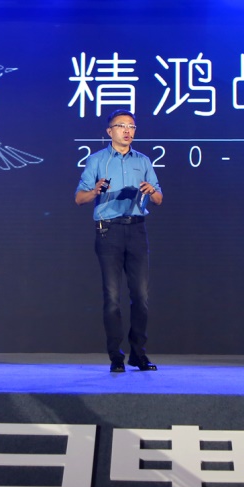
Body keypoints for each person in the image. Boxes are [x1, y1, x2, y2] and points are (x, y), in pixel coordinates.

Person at [75, 110, 163, 372]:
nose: (127, 131)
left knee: (141, 296)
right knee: (112, 297)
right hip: (108, 231)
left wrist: (151, 191)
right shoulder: (97, 160)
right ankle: (116, 356)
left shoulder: (143, 161)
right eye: (122, 126)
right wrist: (95, 190)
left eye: (132, 126)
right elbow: (79, 198)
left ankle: (138, 354)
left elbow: (159, 198)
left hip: (137, 230)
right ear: (109, 131)